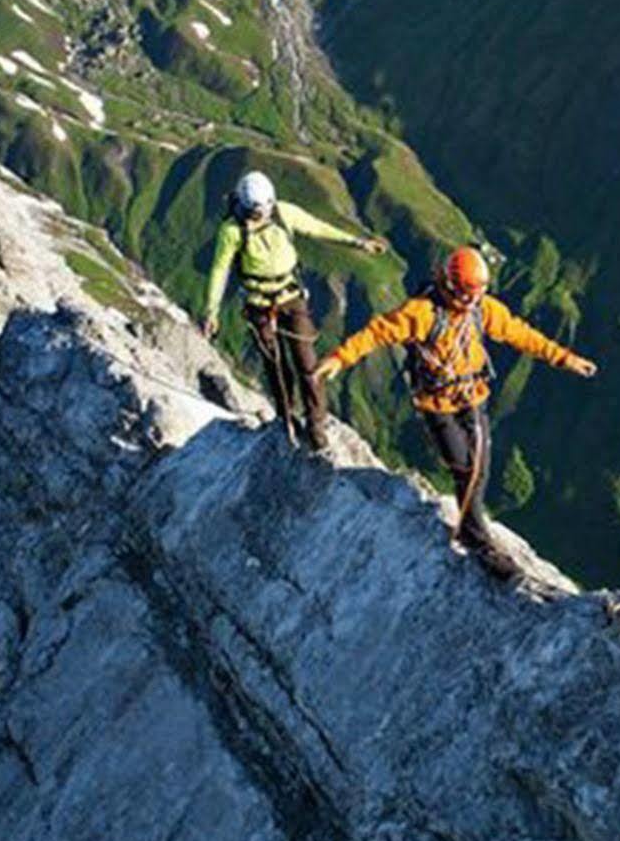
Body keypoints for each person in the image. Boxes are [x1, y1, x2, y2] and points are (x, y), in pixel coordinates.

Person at [315, 246, 595, 578]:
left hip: (472, 396)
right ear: (449, 286)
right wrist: (339, 358)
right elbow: (377, 332)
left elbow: (520, 334)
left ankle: (473, 534)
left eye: (475, 294)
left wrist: (565, 358)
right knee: (466, 466)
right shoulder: (421, 314)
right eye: (466, 294)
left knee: (476, 467)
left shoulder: (483, 310)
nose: (470, 301)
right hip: (436, 402)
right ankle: (476, 539)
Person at [202, 170, 388, 449]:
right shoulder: (232, 231)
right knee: (276, 366)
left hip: (289, 297)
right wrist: (211, 311)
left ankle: (316, 427)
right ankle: (288, 420)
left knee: (307, 364)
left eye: (263, 210)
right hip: (260, 304)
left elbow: (317, 227)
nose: (260, 216)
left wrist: (357, 242)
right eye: (256, 212)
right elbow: (219, 270)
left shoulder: (282, 213)